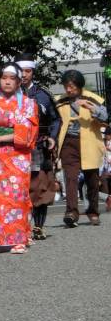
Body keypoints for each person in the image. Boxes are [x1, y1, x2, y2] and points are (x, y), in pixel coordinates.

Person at [0, 63, 38, 253]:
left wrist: (0, 137)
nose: (8, 81)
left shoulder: (28, 103)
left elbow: (27, 131)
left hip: (18, 155)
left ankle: (19, 237)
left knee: (18, 195)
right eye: (4, 78)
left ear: (19, 81)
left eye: (12, 78)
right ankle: (6, 236)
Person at [16, 54, 61, 239]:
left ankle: (39, 226)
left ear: (32, 72)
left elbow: (56, 118)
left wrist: (52, 137)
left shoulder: (43, 94)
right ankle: (19, 226)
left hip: (38, 145)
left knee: (39, 186)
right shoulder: (8, 95)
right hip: (15, 147)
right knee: (19, 186)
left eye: (28, 71)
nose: (24, 75)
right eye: (21, 71)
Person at [54, 70, 108, 227]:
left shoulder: (93, 98)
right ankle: (71, 213)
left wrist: (91, 108)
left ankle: (93, 211)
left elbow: (105, 118)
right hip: (68, 142)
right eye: (66, 86)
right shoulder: (60, 101)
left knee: (92, 178)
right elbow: (55, 120)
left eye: (71, 86)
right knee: (70, 177)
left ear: (79, 85)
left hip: (89, 141)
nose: (68, 90)